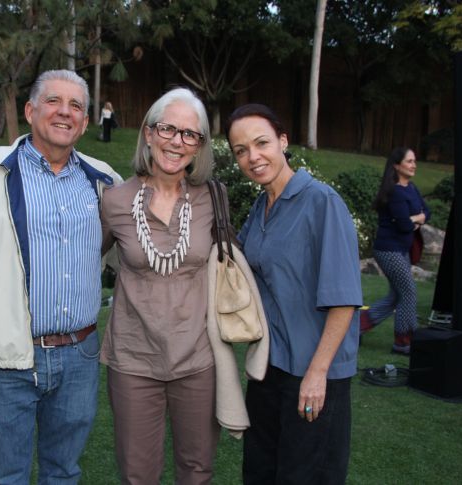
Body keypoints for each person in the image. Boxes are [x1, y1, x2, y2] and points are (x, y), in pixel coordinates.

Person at [0, 69, 122, 484]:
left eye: (76, 106)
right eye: (53, 101)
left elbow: (130, 253)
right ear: (30, 110)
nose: (65, 113)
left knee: (64, 472)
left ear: (86, 122)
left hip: (79, 356)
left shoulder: (104, 182)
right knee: (8, 477)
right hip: (6, 362)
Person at [225, 104, 362, 485]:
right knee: (260, 472)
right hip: (269, 369)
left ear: (283, 141)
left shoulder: (321, 202)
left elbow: (345, 299)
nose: (252, 157)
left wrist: (317, 375)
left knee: (305, 476)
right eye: (240, 150)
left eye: (261, 143)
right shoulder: (260, 205)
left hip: (313, 371)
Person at [100, 87, 220, 484]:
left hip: (197, 359)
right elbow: (82, 263)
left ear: (199, 146)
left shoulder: (212, 199)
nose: (177, 141)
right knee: (138, 474)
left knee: (197, 469)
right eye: (168, 129)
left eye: (190, 134)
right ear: (149, 133)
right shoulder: (115, 201)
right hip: (134, 359)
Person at [359, 147, 430, 355]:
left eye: (414, 161)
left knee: (395, 295)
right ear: (397, 166)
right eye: (409, 161)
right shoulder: (396, 192)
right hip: (388, 250)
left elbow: (428, 211)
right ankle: (403, 341)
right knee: (408, 291)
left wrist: (415, 218)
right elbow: (404, 226)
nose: (414, 165)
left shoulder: (411, 188)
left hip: (402, 248)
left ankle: (355, 328)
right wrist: (416, 219)